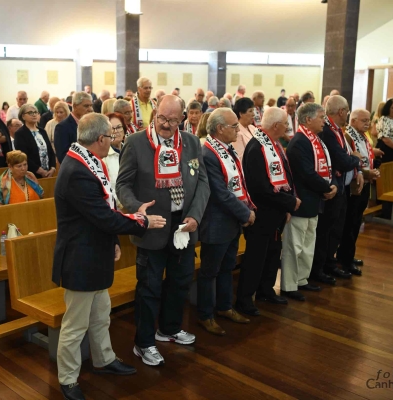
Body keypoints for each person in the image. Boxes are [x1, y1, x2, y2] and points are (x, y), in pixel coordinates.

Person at [53, 112, 165, 400]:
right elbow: (103, 216)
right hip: (80, 259)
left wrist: (114, 240)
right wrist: (142, 221)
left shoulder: (89, 161)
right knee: (75, 325)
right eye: (111, 136)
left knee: (101, 315)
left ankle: (104, 359)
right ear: (100, 139)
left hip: (95, 253)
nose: (114, 140)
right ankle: (67, 379)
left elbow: (105, 209)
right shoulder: (77, 171)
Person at [116, 95, 210, 367]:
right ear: (154, 114)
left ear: (182, 119)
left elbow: (203, 182)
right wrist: (138, 209)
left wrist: (195, 215)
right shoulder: (136, 142)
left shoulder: (191, 142)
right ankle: (144, 343)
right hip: (153, 225)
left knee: (180, 282)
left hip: (184, 225)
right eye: (162, 119)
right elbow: (122, 186)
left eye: (172, 120)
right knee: (149, 288)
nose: (166, 125)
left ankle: (169, 329)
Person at [198, 108, 253, 335]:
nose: (238, 129)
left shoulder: (227, 149)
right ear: (220, 128)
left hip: (231, 221)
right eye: (234, 126)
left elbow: (238, 183)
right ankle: (205, 315)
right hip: (216, 223)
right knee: (209, 272)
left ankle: (224, 307)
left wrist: (246, 208)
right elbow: (220, 193)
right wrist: (245, 214)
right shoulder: (208, 154)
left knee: (227, 267)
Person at [238, 107, 300, 310]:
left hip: (275, 212)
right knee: (256, 257)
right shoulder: (257, 147)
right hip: (263, 213)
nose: (287, 127)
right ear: (275, 125)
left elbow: (283, 177)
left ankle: (266, 290)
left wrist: (288, 202)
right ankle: (245, 299)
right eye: (285, 124)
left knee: (273, 254)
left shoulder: (273, 143)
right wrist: (289, 202)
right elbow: (261, 188)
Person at [283, 103, 337, 301]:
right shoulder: (299, 142)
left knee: (307, 245)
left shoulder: (315, 139)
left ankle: (301, 279)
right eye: (321, 117)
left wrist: (331, 185)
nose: (324, 121)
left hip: (314, 199)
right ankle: (289, 285)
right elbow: (306, 173)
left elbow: (326, 167)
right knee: (294, 246)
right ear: (307, 119)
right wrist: (327, 188)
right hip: (302, 201)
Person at [311, 95, 363, 284]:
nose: (347, 114)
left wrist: (354, 164)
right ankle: (322, 267)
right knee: (327, 230)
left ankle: (330, 263)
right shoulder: (328, 131)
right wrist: (355, 159)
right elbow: (341, 160)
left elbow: (345, 156)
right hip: (332, 187)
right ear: (341, 111)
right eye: (347, 111)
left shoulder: (337, 130)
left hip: (341, 186)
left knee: (336, 229)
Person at [337, 109, 381, 271]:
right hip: (354, 185)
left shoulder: (363, 135)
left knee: (356, 222)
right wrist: (367, 173)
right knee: (351, 223)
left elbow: (366, 156)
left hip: (364, 182)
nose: (367, 123)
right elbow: (350, 160)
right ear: (353, 120)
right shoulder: (348, 136)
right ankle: (345, 259)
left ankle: (348, 254)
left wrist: (372, 170)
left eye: (368, 120)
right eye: (364, 120)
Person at [14, 104, 56, 179]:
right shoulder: (20, 134)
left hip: (48, 173)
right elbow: (23, 156)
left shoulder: (42, 131)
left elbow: (50, 151)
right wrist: (39, 170)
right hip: (32, 174)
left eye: (35, 112)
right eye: (30, 113)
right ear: (23, 116)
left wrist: (53, 168)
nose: (34, 115)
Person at [55, 92, 93, 163]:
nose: (90, 109)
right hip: (75, 168)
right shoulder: (62, 127)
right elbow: (62, 156)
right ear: (75, 106)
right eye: (86, 106)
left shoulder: (91, 124)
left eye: (91, 105)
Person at [103, 112, 126, 207]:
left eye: (119, 127)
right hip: (116, 207)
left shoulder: (131, 150)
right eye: (112, 128)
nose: (116, 131)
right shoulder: (103, 157)